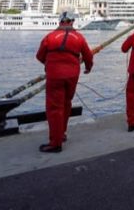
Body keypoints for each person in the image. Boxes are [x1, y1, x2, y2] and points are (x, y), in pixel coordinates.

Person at [35, 11, 93, 153]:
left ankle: (55, 143)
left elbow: (39, 56)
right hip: (72, 75)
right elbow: (88, 56)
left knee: (55, 108)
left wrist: (48, 64)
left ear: (60, 22)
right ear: (72, 22)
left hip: (55, 75)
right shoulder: (79, 37)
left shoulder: (50, 36)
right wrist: (88, 68)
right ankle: (62, 133)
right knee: (66, 104)